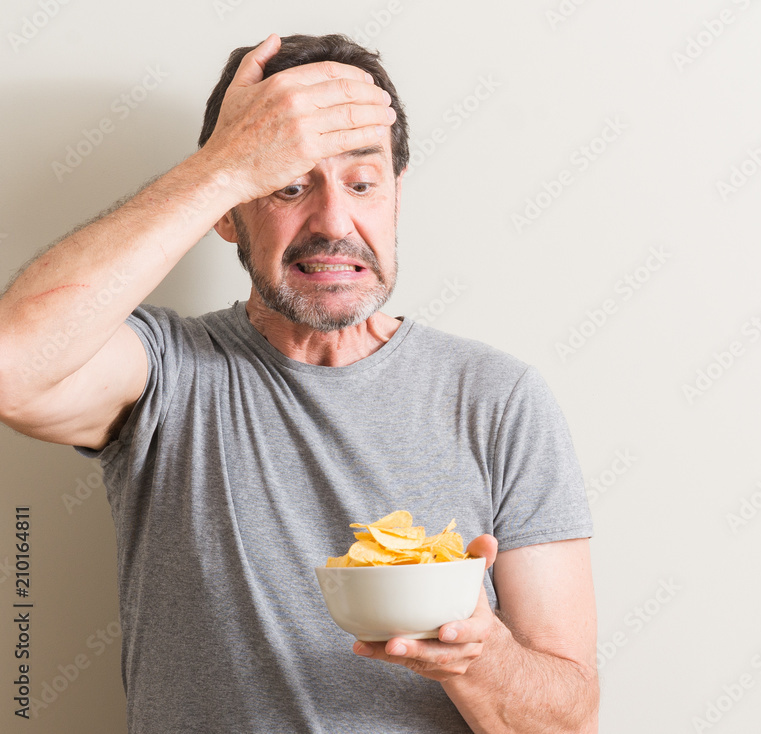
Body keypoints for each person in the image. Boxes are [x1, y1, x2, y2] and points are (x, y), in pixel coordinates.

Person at [0, 33, 598, 733]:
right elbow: (13, 367)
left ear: (396, 197)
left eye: (362, 183)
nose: (334, 222)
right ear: (226, 214)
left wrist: (478, 650)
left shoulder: (499, 400)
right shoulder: (166, 373)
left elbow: (568, 722)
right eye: (287, 184)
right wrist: (221, 167)